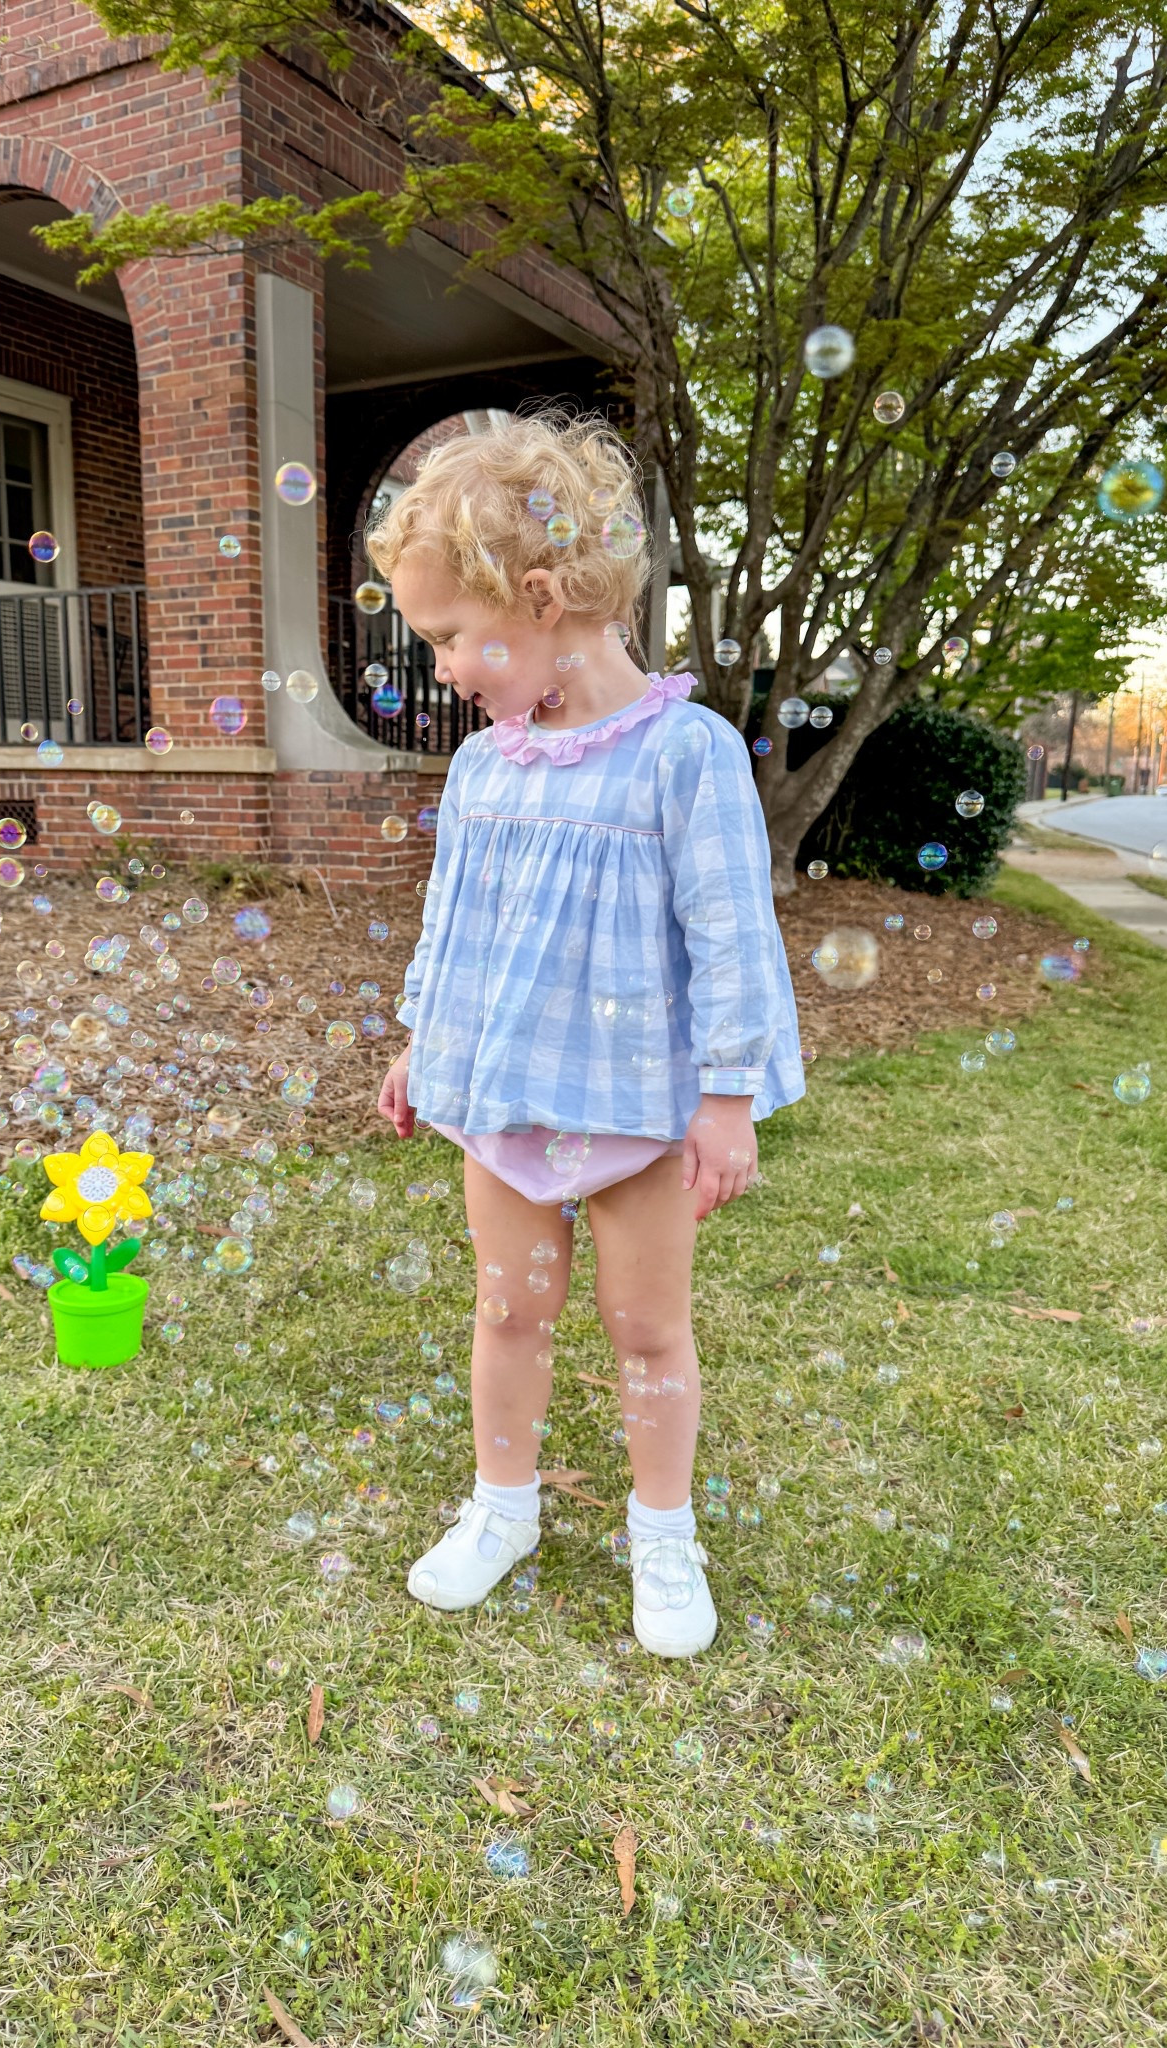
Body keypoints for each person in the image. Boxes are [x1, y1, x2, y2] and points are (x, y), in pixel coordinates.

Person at [369, 409, 804, 1659]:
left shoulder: (686, 754)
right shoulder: (485, 768)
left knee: (646, 1324)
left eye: (453, 636)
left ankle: (664, 1534)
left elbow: (730, 932)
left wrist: (725, 1096)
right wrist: (419, 1039)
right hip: (504, 1087)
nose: (446, 668)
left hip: (639, 1102)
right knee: (508, 1310)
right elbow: (452, 921)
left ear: (546, 596)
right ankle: (501, 1509)